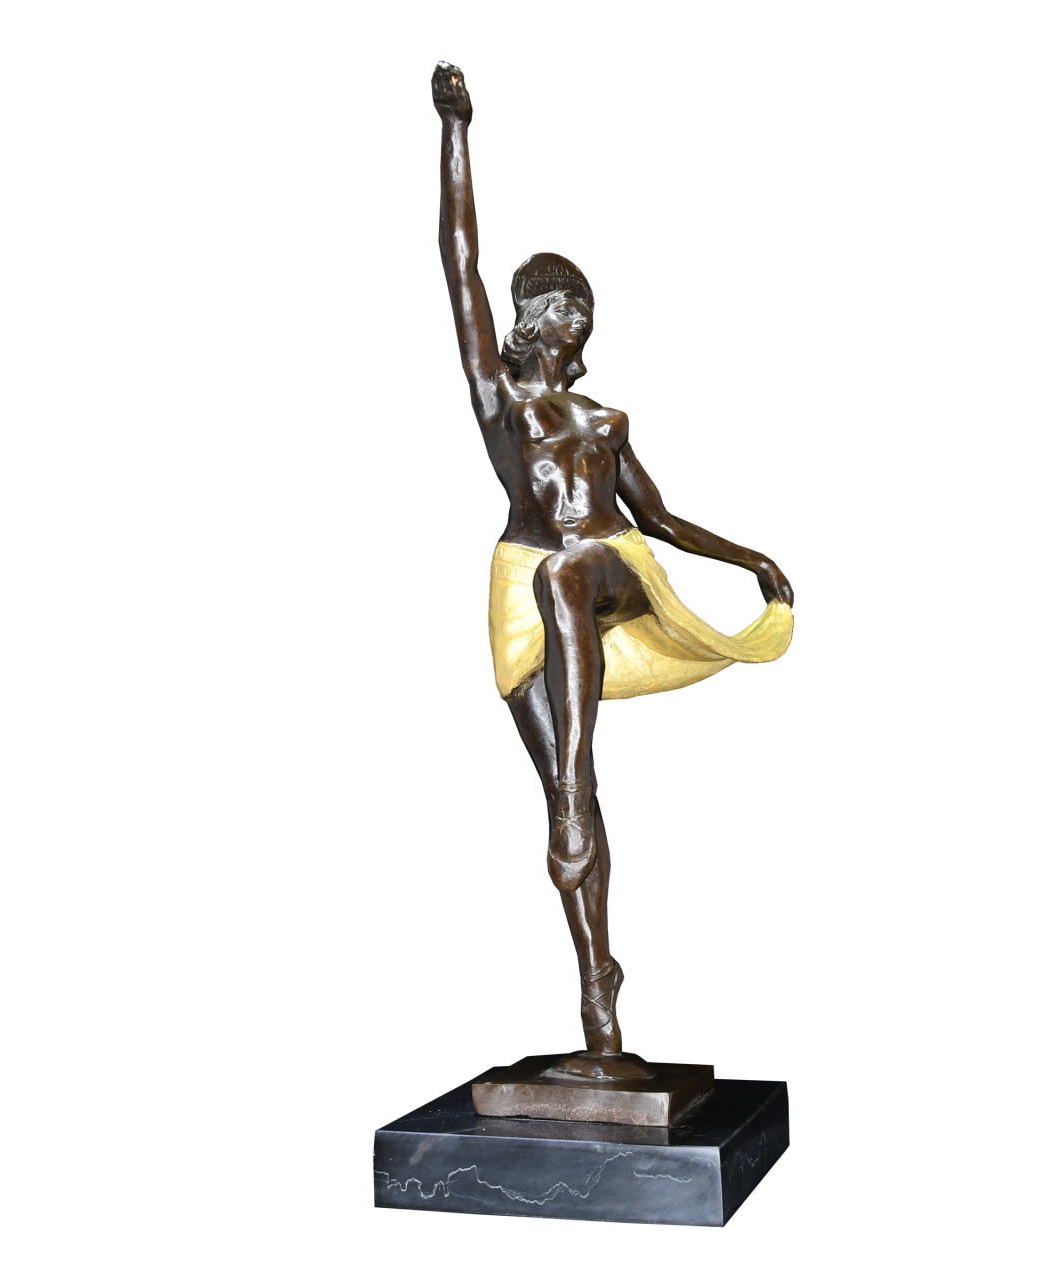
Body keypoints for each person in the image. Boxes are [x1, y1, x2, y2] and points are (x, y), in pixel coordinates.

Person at [432, 62, 795, 1081]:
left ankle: (574, 785)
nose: (579, 315)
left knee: (572, 573)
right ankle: (600, 989)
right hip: (526, 582)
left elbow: (663, 519)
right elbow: (460, 267)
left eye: (585, 305)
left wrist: (753, 559)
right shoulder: (503, 404)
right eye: (566, 305)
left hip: (612, 570)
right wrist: (455, 133)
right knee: (567, 786)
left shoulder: (605, 422)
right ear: (537, 322)